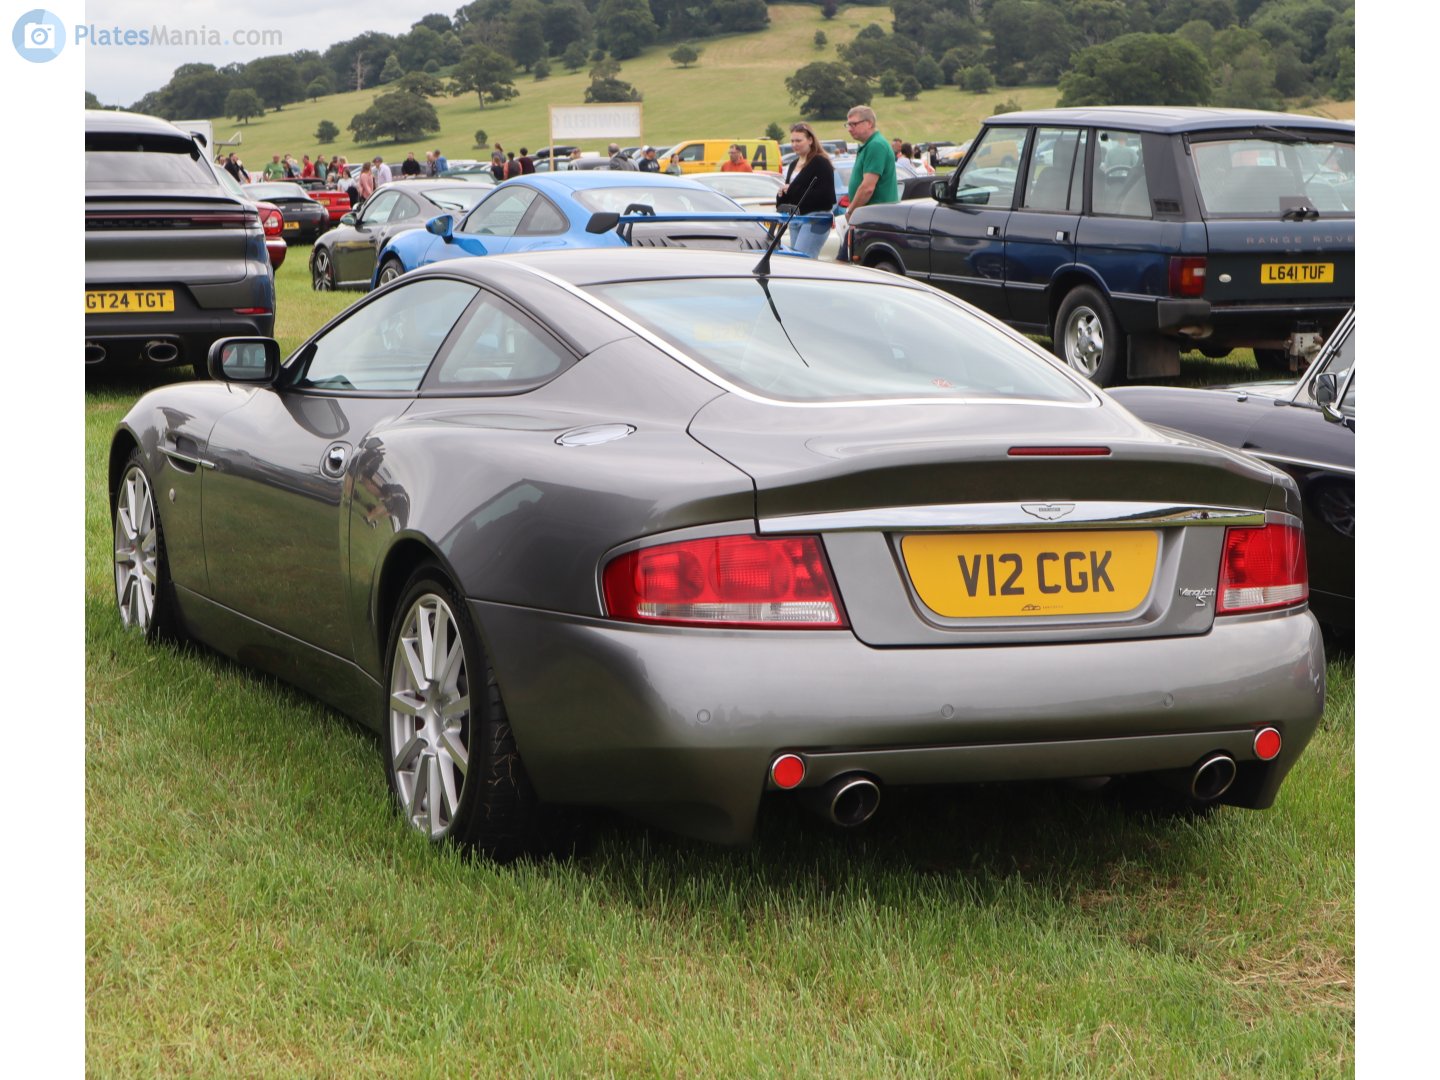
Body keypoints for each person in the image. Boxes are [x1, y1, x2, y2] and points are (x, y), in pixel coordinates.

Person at [839, 106, 898, 260]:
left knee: (848, 266)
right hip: (870, 217)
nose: (850, 129)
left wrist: (851, 211)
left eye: (854, 124)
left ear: (869, 123)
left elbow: (867, 188)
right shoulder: (870, 145)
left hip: (873, 219)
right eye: (848, 125)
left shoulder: (875, 145)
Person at [777, 122, 836, 259]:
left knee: (803, 261)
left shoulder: (821, 162)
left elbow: (827, 197)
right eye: (792, 141)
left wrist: (792, 190)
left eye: (799, 140)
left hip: (814, 218)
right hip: (795, 217)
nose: (795, 144)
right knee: (795, 261)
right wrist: (781, 194)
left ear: (810, 140)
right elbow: (790, 194)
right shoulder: (792, 164)